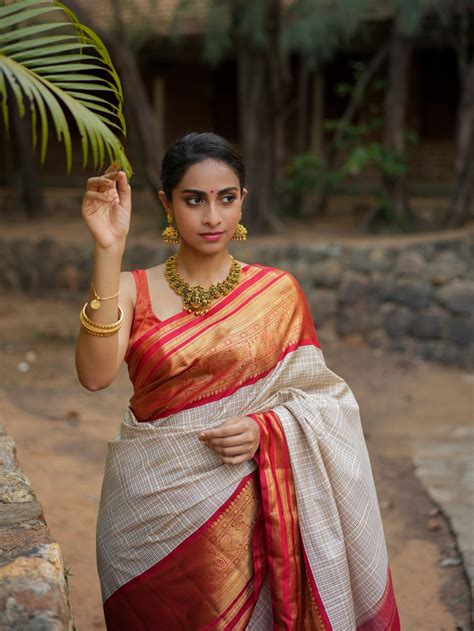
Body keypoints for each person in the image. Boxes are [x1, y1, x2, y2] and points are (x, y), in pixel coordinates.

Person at [75, 132, 400, 630]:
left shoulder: (277, 293)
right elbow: (95, 376)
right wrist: (107, 248)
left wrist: (266, 429)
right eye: (194, 200)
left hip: (245, 514)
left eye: (226, 199)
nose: (212, 217)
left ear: (242, 201)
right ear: (167, 204)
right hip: (144, 519)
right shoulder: (127, 288)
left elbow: (324, 400)